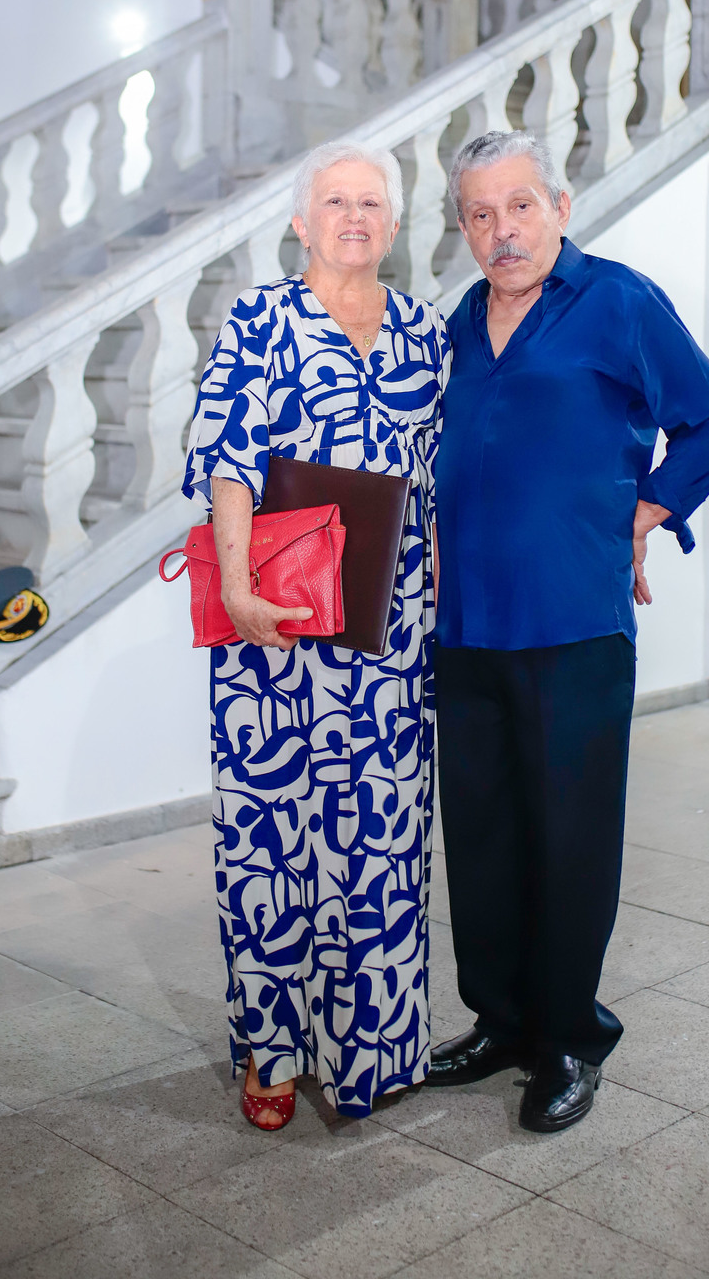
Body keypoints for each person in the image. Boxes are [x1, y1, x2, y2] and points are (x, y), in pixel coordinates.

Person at [427, 129, 709, 1133]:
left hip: (574, 625)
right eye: (480, 214)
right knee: (481, 837)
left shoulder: (618, 302)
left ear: (560, 206)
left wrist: (648, 513)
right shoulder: (456, 324)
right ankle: (503, 1021)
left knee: (570, 841)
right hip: (467, 628)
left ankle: (570, 1037)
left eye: (519, 206)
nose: (502, 231)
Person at [183, 140, 449, 1129]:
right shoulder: (259, 320)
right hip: (277, 628)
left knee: (382, 841)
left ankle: (375, 1050)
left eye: (371, 202)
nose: (353, 217)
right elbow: (226, 458)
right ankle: (272, 1051)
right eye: (335, 201)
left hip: (390, 631)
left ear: (393, 221)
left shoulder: (427, 333)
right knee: (272, 838)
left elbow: (450, 470)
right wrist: (242, 584)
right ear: (301, 221)